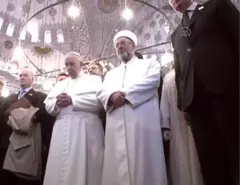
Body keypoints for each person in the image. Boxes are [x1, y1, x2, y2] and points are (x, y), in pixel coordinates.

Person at [169, 0, 240, 184]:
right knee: (210, 162)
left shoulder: (216, 7)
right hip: (196, 105)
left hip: (225, 93)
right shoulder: (176, 34)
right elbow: (179, 72)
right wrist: (182, 103)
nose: (172, 0)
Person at [97, 30, 167, 185]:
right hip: (115, 125)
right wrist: (111, 96)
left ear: (134, 45)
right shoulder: (110, 74)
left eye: (124, 43)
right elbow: (101, 92)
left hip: (142, 124)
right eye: (117, 45)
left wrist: (123, 94)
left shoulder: (149, 64)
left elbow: (152, 82)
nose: (120, 47)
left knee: (144, 163)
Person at [43, 52, 104, 185]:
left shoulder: (94, 80)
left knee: (84, 164)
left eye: (72, 64)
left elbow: (100, 102)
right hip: (61, 128)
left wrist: (73, 100)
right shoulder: (60, 84)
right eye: (66, 65)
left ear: (81, 64)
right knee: (59, 164)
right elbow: (48, 105)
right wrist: (56, 104)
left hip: (85, 129)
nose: (69, 67)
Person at [0, 69, 54, 185]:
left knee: (23, 179)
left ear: (33, 79)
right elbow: (2, 116)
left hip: (28, 142)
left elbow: (44, 116)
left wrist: (25, 118)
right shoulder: (9, 98)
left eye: (25, 75)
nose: (22, 77)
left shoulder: (40, 96)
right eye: (20, 75)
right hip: (8, 141)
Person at [160, 69, 203, 185]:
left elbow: (164, 108)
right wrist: (166, 126)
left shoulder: (170, 78)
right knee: (184, 155)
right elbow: (164, 105)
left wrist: (165, 125)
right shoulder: (169, 79)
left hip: (187, 122)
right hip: (178, 123)